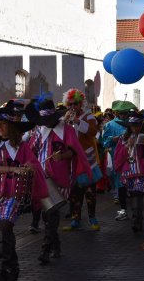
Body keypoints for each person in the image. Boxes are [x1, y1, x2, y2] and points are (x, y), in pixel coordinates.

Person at [0, 102, 48, 281]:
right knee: (3, 230)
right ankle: (8, 268)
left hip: (15, 194)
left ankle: (6, 266)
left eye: (3, 124)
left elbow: (34, 166)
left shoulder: (22, 148)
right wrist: (12, 169)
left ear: (11, 126)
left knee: (5, 225)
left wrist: (28, 168)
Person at [25, 95, 92, 265]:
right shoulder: (39, 131)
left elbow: (74, 152)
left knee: (52, 213)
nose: (46, 123)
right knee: (47, 215)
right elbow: (31, 151)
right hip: (42, 177)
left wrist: (62, 155)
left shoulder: (66, 130)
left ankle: (45, 250)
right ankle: (56, 246)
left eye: (48, 120)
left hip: (60, 178)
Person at [114, 112, 144, 232]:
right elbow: (117, 156)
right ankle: (136, 217)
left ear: (141, 125)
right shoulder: (123, 138)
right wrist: (126, 147)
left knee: (138, 193)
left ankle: (137, 220)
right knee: (133, 194)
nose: (134, 127)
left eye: (137, 125)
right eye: (132, 125)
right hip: (129, 171)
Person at [61, 88, 101, 231]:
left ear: (81, 103)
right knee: (74, 192)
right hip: (72, 160)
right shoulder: (66, 117)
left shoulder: (88, 116)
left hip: (86, 158)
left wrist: (77, 121)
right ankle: (75, 219)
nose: (72, 107)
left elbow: (92, 132)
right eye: (70, 104)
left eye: (75, 104)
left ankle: (92, 218)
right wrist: (63, 122)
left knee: (90, 190)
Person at [101, 100, 136, 217]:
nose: (124, 115)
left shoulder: (132, 123)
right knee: (120, 183)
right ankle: (123, 210)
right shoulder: (110, 125)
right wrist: (113, 139)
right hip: (118, 157)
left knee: (132, 183)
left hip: (132, 157)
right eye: (122, 113)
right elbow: (104, 142)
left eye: (126, 113)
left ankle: (135, 210)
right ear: (117, 113)